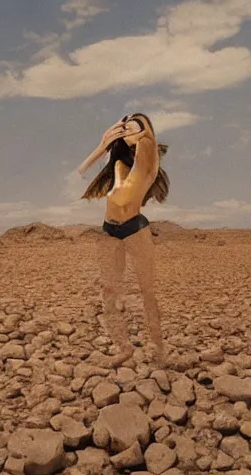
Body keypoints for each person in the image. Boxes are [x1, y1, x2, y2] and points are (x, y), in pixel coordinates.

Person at [76, 113, 170, 368]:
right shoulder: (117, 162)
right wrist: (103, 143)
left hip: (135, 230)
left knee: (146, 291)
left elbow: (148, 139)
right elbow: (80, 173)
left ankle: (158, 348)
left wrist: (140, 130)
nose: (125, 132)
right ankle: (123, 348)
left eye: (132, 128)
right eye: (123, 129)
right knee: (109, 292)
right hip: (110, 231)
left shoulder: (147, 161)